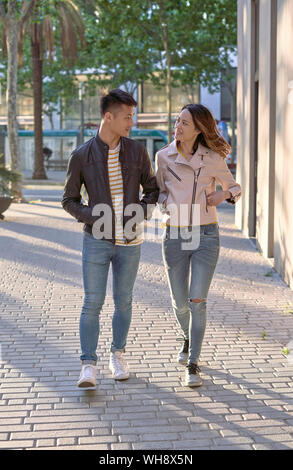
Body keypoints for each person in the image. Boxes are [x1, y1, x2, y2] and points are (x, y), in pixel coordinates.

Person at [61, 89, 159, 388]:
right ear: (108, 117)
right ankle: (88, 364)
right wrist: (95, 217)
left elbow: (152, 190)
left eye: (133, 116)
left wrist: (139, 213)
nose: (132, 122)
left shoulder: (137, 151)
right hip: (97, 239)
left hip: (130, 240)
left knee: (124, 301)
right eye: (127, 117)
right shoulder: (81, 155)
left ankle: (118, 354)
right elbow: (69, 200)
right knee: (92, 302)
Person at [155, 104, 241, 387]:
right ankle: (187, 336)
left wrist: (224, 194)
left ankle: (193, 364)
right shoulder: (163, 157)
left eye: (184, 123)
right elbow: (158, 193)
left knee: (197, 302)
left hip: (206, 234)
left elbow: (235, 187)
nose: (177, 127)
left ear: (198, 129)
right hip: (175, 234)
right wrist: (168, 205)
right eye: (177, 121)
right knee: (180, 303)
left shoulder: (213, 158)